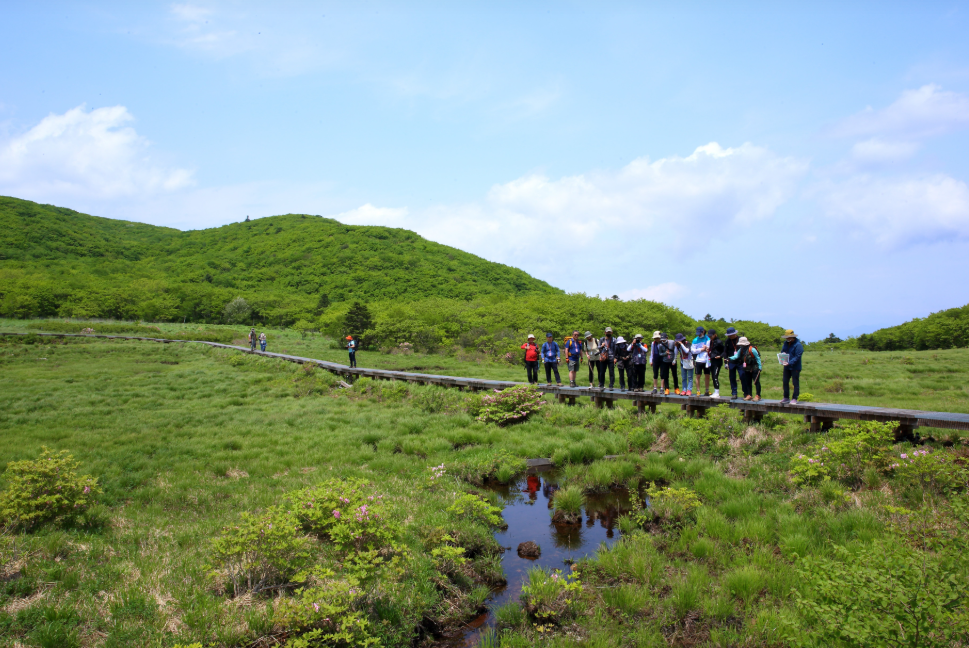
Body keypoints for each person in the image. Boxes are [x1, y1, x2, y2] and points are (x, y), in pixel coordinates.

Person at [729, 336, 762, 401]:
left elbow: (758, 358)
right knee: (748, 382)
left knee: (756, 382)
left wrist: (760, 367)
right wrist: (729, 358)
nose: (741, 346)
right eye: (740, 345)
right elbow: (736, 356)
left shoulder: (752, 349)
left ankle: (758, 395)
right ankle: (749, 395)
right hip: (746, 368)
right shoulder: (741, 350)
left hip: (755, 367)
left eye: (742, 344)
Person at [780, 329, 804, 405]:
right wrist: (782, 354)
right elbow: (782, 351)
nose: (787, 339)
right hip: (786, 367)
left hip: (795, 367)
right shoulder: (786, 343)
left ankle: (794, 398)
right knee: (785, 381)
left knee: (795, 383)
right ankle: (786, 397)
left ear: (792, 337)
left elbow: (797, 357)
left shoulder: (798, 345)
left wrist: (789, 363)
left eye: (788, 338)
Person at [691, 326, 712, 396]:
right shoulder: (695, 340)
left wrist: (706, 348)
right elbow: (693, 351)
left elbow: (709, 348)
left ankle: (707, 390)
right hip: (698, 360)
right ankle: (698, 390)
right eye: (698, 333)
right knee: (698, 375)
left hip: (706, 360)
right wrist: (701, 349)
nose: (699, 335)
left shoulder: (708, 338)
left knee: (707, 375)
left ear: (703, 332)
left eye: (700, 333)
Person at [724, 326, 741, 399]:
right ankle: (734, 393)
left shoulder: (740, 339)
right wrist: (725, 362)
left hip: (740, 361)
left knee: (742, 376)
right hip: (731, 361)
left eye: (731, 335)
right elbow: (725, 351)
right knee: (732, 377)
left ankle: (746, 393)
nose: (730, 336)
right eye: (728, 335)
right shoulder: (727, 341)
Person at [707, 329, 724, 399]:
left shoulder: (719, 342)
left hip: (718, 361)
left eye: (711, 336)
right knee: (713, 376)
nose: (710, 337)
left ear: (714, 335)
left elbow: (724, 351)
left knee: (715, 376)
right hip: (712, 360)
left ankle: (717, 392)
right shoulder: (711, 341)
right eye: (709, 336)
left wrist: (720, 356)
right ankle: (715, 391)